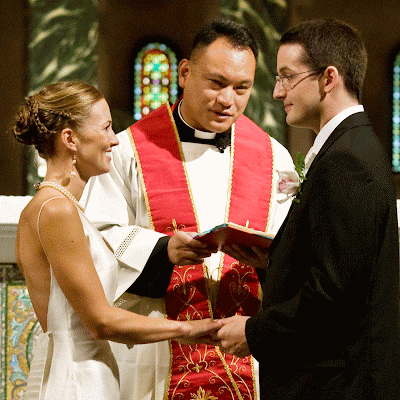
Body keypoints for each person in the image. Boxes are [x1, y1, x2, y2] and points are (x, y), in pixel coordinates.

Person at [82, 19, 294, 400]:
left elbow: (292, 251)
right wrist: (163, 250)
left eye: (241, 88)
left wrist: (267, 261)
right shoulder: (128, 150)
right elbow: (98, 237)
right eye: (216, 83)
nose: (228, 100)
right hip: (160, 352)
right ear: (184, 73)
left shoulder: (273, 158)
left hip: (245, 347)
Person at [217, 18, 400, 400]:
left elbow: (334, 297)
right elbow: (340, 264)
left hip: (336, 384)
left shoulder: (348, 161)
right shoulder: (348, 148)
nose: (277, 91)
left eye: (287, 76)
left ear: (328, 78)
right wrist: (275, 259)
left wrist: (253, 332)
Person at [13, 81, 221, 400]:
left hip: (85, 372)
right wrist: (191, 329)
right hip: (77, 380)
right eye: (106, 128)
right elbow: (101, 322)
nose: (115, 139)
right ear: (69, 139)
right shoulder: (57, 210)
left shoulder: (56, 206)